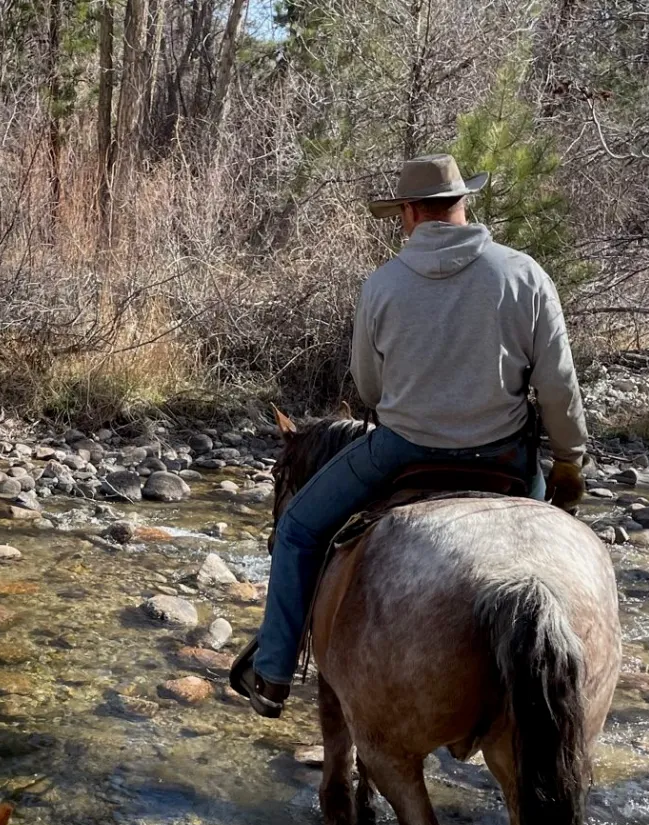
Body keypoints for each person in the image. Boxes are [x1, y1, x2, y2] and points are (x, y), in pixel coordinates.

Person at [245, 153, 588, 718]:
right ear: (462, 203)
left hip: (404, 450)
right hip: (505, 455)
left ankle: (275, 671)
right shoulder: (524, 273)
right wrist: (569, 459)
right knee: (550, 556)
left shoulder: (383, 284)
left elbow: (370, 387)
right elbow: (557, 384)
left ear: (408, 212)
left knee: (301, 530)